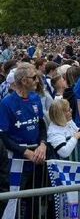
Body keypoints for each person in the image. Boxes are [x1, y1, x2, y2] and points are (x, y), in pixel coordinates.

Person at [0, 63, 47, 217]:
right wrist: (24, 151)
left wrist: (42, 144)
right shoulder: (7, 103)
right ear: (23, 80)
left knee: (34, 201)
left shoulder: (35, 99)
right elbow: (3, 136)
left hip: (37, 159)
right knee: (13, 202)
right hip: (16, 161)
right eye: (34, 78)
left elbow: (41, 126)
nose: (37, 81)